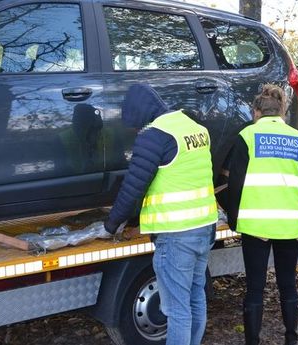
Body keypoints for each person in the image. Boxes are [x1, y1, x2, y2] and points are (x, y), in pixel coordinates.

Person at [103, 83, 218, 345]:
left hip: (177, 234)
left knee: (177, 309)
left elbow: (133, 187)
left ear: (140, 115)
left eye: (134, 126)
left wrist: (111, 224)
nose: (135, 131)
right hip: (205, 227)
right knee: (195, 297)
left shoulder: (154, 136)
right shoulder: (194, 128)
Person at [221, 84, 298, 345]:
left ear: (256, 111)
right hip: (289, 225)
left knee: (255, 287)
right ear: (282, 111)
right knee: (288, 284)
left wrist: (234, 217)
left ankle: (252, 341)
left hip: (256, 225)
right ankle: (291, 339)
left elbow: (236, 183)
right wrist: (288, 199)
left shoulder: (248, 136)